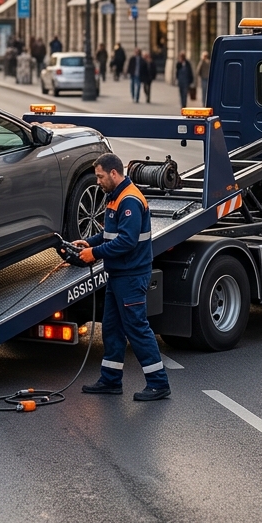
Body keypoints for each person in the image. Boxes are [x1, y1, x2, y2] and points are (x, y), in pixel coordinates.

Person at [74, 153, 171, 401]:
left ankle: (158, 384)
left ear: (114, 173)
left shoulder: (129, 201)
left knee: (137, 329)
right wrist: (90, 242)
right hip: (118, 275)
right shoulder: (114, 197)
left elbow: (127, 242)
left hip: (131, 275)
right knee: (112, 329)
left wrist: (93, 253)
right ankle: (110, 380)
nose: (97, 181)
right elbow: (109, 234)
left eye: (100, 176)